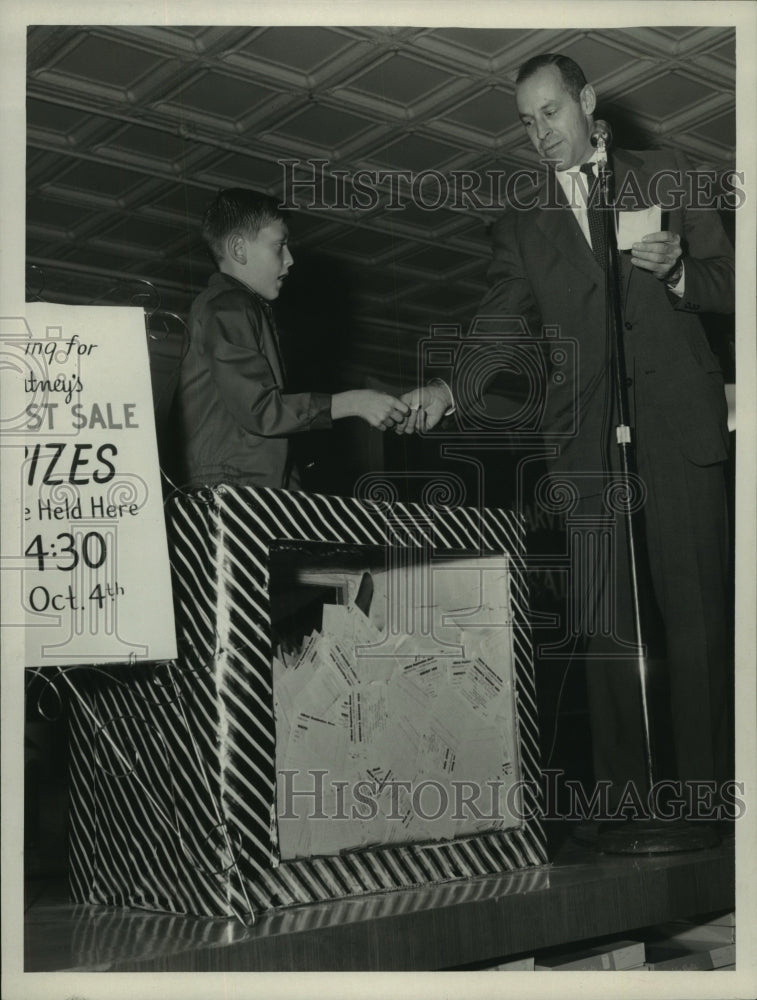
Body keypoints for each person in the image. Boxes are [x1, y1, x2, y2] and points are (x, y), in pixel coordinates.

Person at [401, 54, 734, 814]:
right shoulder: (523, 224)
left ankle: (709, 804)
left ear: (586, 100)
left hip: (679, 430)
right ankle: (625, 809)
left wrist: (680, 272)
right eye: (526, 123)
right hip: (587, 444)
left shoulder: (667, 171)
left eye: (550, 113)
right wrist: (449, 389)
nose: (540, 134)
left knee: (698, 624)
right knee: (606, 629)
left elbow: (731, 280)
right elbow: (498, 326)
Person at [177, 188, 409, 489]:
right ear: (238, 248)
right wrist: (353, 402)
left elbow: (272, 444)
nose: (289, 259)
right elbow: (260, 410)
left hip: (249, 486)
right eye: (279, 245)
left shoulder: (239, 309)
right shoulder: (230, 306)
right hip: (230, 490)